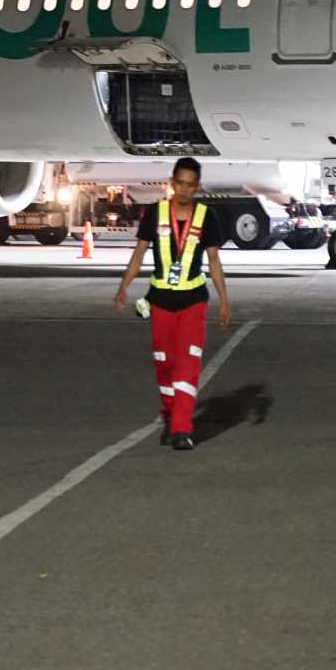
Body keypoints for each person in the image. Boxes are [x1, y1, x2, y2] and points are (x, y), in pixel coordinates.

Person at [113, 156, 231, 451]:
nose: (184, 189)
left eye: (190, 185)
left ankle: (181, 428)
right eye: (180, 183)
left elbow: (214, 261)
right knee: (164, 363)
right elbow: (139, 253)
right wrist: (123, 287)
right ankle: (169, 410)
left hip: (193, 300)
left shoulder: (206, 216)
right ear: (172, 183)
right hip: (161, 301)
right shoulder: (155, 213)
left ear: (197, 186)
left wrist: (224, 300)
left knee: (187, 364)